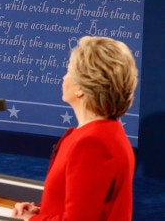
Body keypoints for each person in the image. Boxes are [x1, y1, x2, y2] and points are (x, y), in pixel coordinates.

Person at [13, 36, 138, 221]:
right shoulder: (107, 132)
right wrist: (42, 211)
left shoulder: (92, 144)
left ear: (81, 88)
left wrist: (30, 220)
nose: (64, 77)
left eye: (68, 70)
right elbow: (86, 207)